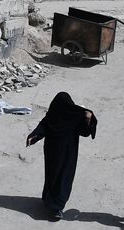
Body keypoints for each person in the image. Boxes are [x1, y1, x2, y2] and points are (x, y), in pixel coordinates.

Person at [26, 92, 97, 220]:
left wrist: (87, 118)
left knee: (64, 177)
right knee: (52, 176)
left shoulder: (75, 116)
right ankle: (48, 199)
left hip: (68, 155)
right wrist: (34, 136)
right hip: (52, 153)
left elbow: (85, 132)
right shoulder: (52, 115)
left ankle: (57, 207)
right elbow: (43, 126)